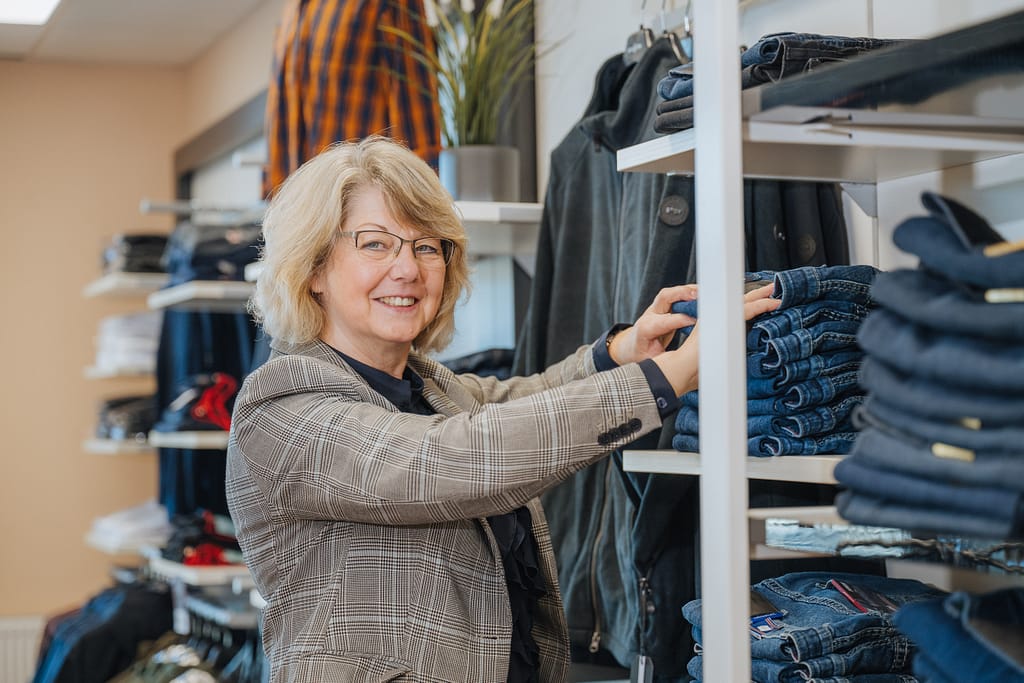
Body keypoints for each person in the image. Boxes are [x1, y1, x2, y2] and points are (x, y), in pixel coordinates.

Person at [225, 135, 779, 683]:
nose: (409, 269)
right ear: (313, 268)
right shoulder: (281, 406)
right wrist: (671, 377)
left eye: (426, 245)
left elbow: (514, 403)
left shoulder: (424, 386)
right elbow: (448, 459)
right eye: (376, 243)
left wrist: (619, 355)